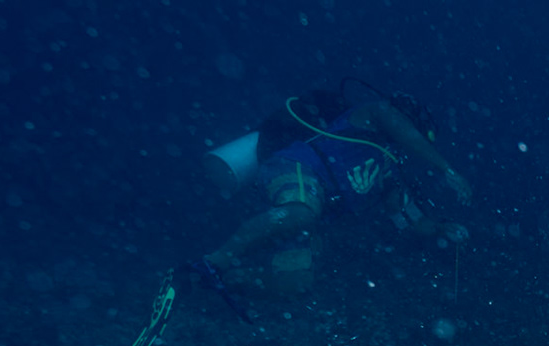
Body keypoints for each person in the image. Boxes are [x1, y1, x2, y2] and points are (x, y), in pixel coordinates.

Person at [191, 86, 473, 301]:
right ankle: (215, 260)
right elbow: (391, 119)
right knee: (301, 213)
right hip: (294, 168)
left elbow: (409, 220)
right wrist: (447, 169)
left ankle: (219, 279)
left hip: (311, 208)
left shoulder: (386, 170)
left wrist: (441, 228)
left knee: (296, 283)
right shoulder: (369, 114)